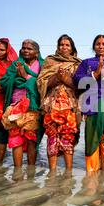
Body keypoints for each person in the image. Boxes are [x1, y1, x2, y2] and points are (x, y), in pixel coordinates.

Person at [73, 35, 104, 173]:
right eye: (98, 44)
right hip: (92, 106)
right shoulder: (86, 63)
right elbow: (77, 80)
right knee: (93, 139)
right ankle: (92, 175)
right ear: (93, 47)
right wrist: (95, 74)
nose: (101, 46)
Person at [37, 34, 81, 171]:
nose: (64, 47)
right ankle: (52, 173)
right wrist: (56, 78)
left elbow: (82, 85)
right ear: (57, 47)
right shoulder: (50, 61)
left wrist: (67, 80)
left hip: (70, 106)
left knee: (68, 137)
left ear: (72, 48)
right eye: (61, 44)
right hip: (51, 104)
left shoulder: (78, 63)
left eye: (67, 45)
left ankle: (68, 172)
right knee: (52, 137)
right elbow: (41, 82)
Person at [0, 39, 43, 167]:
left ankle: (31, 171)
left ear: (36, 52)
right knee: (15, 138)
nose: (25, 50)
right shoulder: (15, 64)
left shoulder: (42, 65)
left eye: (29, 48)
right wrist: (15, 77)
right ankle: (17, 171)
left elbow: (44, 83)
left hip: (33, 105)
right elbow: (4, 82)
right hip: (15, 104)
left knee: (31, 139)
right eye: (24, 48)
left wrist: (26, 77)